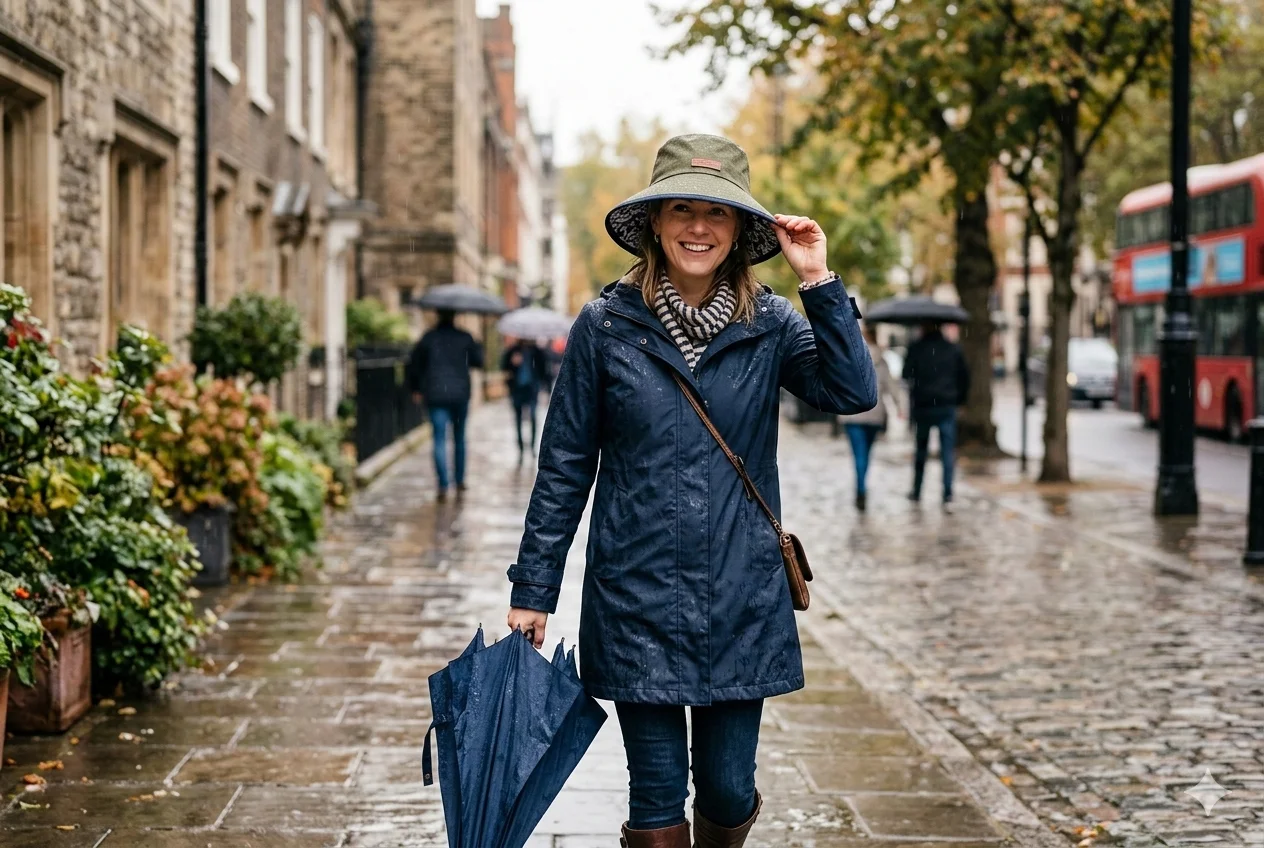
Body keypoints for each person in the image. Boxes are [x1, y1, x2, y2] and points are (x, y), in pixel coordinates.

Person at [504, 134, 877, 848]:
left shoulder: (771, 324)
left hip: (742, 598)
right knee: (656, 796)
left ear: (738, 230)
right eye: (682, 208)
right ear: (655, 222)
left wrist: (819, 282)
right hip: (636, 594)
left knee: (730, 788)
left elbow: (852, 390)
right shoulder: (605, 327)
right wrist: (534, 590)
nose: (698, 227)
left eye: (717, 212)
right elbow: (564, 466)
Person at [407, 308, 484, 502]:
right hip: (460, 395)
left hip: (435, 395)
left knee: (439, 439)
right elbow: (478, 362)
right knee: (459, 438)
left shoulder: (428, 338)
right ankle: (459, 480)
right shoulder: (465, 337)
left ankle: (443, 484)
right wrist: (476, 345)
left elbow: (414, 365)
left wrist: (415, 388)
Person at [902, 320, 969, 505]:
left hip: (923, 405)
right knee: (947, 452)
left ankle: (917, 490)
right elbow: (964, 377)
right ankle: (947, 493)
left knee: (921, 451)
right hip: (946, 405)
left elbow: (906, 373)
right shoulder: (953, 349)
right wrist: (959, 400)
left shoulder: (916, 348)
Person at [837, 324, 902, 512]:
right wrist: (899, 406)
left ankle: (860, 489)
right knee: (866, 453)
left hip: (852, 415)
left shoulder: (849, 357)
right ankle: (862, 486)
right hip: (874, 414)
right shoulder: (881, 360)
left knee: (859, 454)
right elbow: (891, 387)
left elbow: (840, 384)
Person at [500, 338, 549, 461]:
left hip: (532, 390)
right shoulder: (513, 351)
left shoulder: (537, 351)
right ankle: (521, 448)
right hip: (517, 390)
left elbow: (544, 370)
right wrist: (513, 363)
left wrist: (545, 389)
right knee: (518, 419)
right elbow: (504, 367)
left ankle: (532, 447)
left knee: (533, 417)